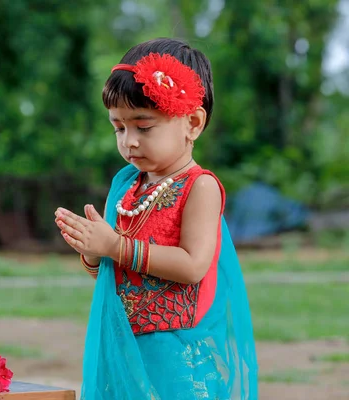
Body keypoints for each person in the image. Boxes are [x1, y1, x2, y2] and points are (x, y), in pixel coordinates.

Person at [54, 38, 258, 399]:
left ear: (192, 123)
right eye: (118, 128)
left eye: (143, 127)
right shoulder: (125, 185)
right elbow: (111, 270)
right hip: (121, 345)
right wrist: (92, 250)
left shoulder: (200, 187)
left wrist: (114, 245)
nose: (129, 142)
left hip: (175, 352)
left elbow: (194, 265)